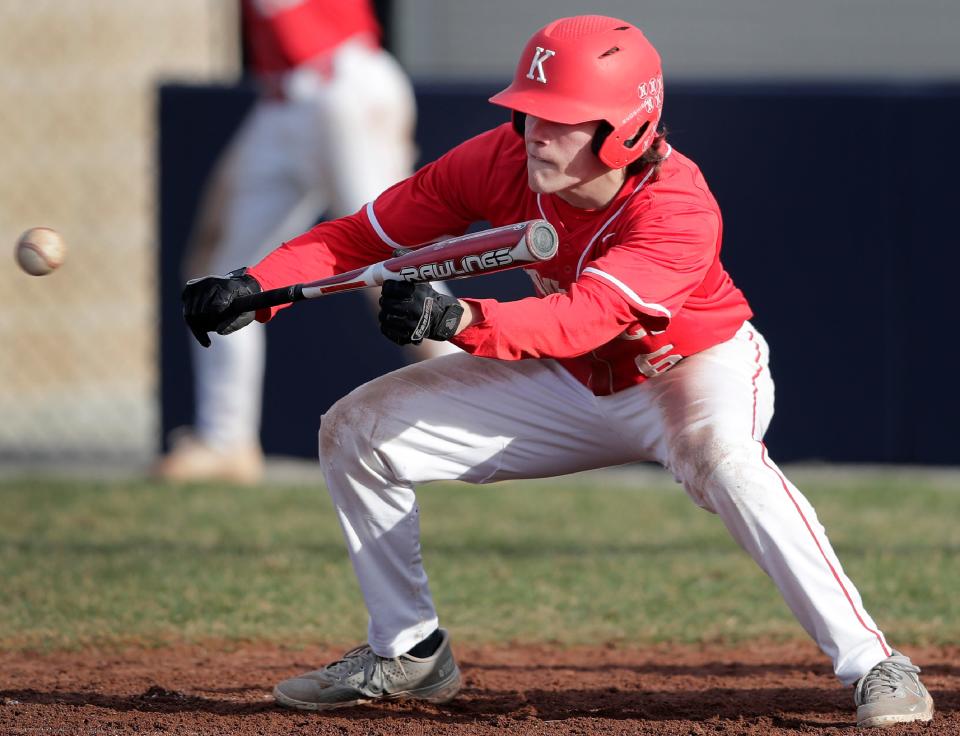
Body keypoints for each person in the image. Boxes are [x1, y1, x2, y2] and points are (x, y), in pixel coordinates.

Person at [180, 15, 934, 728]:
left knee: (728, 463)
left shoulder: (678, 208)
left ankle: (875, 663)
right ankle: (408, 651)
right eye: (529, 111)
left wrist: (462, 321)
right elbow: (364, 235)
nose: (537, 131)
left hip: (691, 371)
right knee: (357, 430)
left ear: (625, 129)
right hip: (574, 381)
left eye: (564, 116)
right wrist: (258, 286)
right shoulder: (502, 161)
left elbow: (586, 317)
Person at [154, 0, 455, 484]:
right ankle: (225, 439)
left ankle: (477, 413)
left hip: (343, 82)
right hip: (285, 97)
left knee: (387, 258)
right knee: (220, 264)